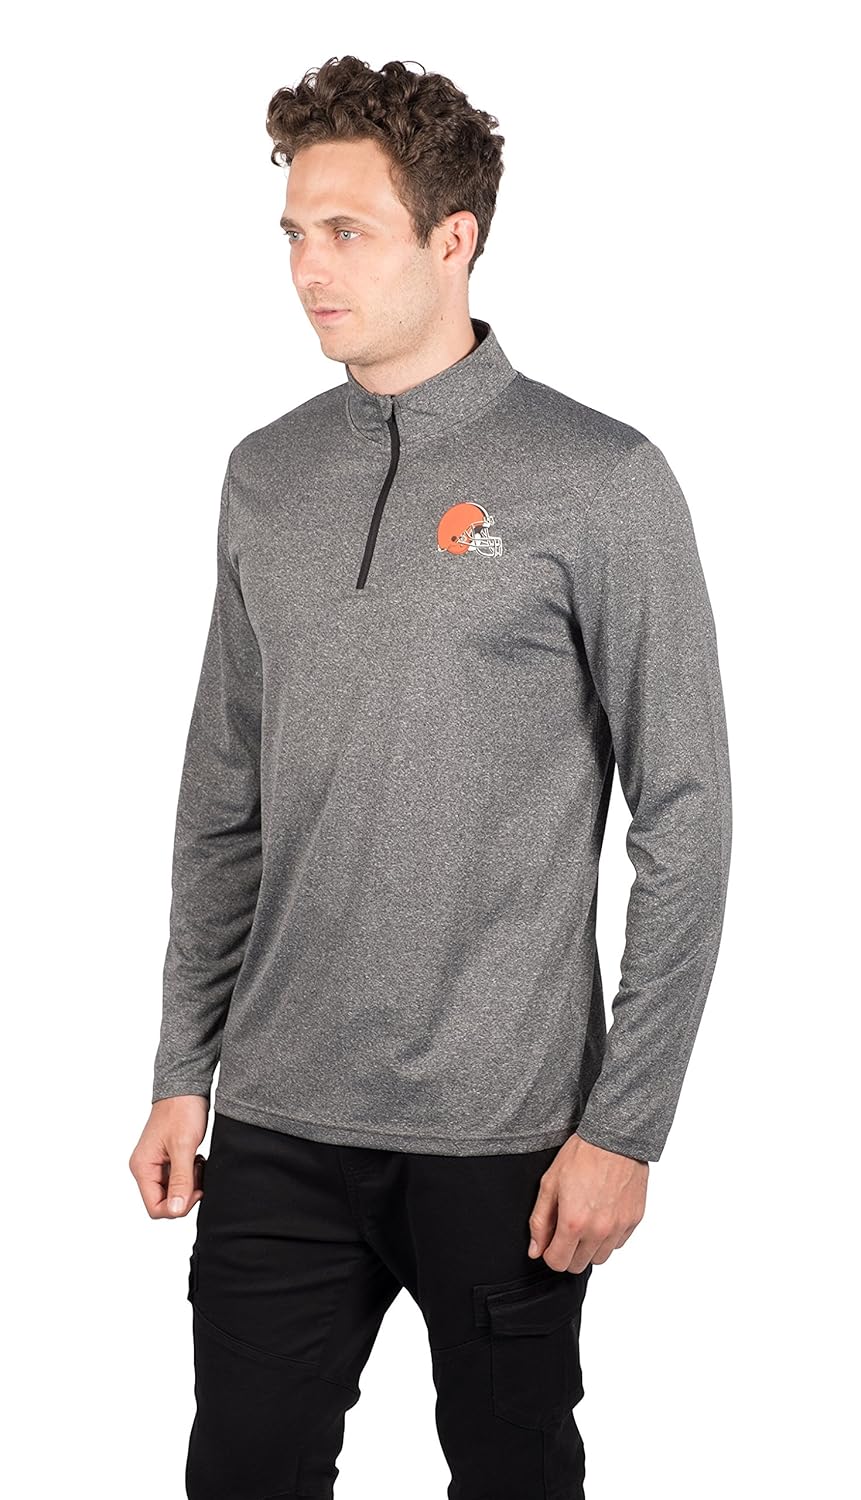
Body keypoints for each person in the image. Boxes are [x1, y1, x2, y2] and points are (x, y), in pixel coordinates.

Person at [129, 54, 732, 1500]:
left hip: (505, 1132)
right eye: (293, 232)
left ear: (452, 238)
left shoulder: (600, 477)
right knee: (243, 1474)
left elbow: (686, 812)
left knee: (512, 1478)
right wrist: (180, 1072)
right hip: (276, 1118)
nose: (307, 269)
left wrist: (625, 1127)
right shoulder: (266, 475)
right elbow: (223, 796)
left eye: (347, 232)